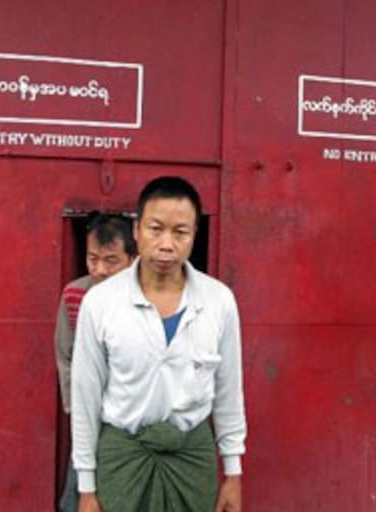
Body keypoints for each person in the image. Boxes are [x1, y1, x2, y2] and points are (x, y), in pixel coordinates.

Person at [71, 176, 247, 512]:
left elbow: (228, 392)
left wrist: (233, 473)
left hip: (192, 462)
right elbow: (85, 396)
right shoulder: (102, 302)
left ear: (195, 235)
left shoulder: (219, 301)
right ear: (137, 230)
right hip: (123, 461)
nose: (167, 244)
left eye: (180, 232)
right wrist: (87, 487)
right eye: (155, 228)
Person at [54, 213, 137, 512]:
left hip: (130, 415)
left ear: (132, 257)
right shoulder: (75, 294)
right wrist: (74, 401)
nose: (100, 269)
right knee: (80, 485)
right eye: (92, 259)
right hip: (87, 408)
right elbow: (64, 353)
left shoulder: (147, 298)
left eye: (111, 260)